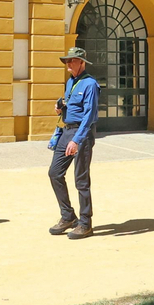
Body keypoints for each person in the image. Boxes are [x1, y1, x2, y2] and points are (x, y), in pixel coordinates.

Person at [49, 48, 99, 238]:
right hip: (67, 131)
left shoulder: (90, 84)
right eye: (67, 61)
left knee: (81, 180)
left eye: (72, 61)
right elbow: (70, 103)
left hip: (82, 134)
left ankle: (85, 223)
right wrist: (60, 107)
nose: (69, 65)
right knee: (54, 173)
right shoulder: (71, 82)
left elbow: (90, 115)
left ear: (82, 62)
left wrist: (77, 140)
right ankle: (68, 216)